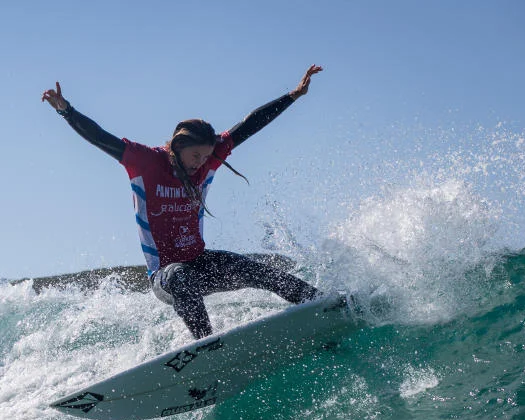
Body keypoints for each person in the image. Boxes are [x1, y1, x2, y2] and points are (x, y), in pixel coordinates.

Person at [42, 65, 324, 340]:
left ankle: (322, 305)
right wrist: (67, 111)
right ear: (177, 147)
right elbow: (101, 138)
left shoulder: (206, 162)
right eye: (195, 156)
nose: (201, 163)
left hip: (200, 263)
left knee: (257, 270)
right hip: (166, 277)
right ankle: (206, 347)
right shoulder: (146, 162)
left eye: (206, 157)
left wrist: (293, 95)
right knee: (181, 278)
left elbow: (248, 126)